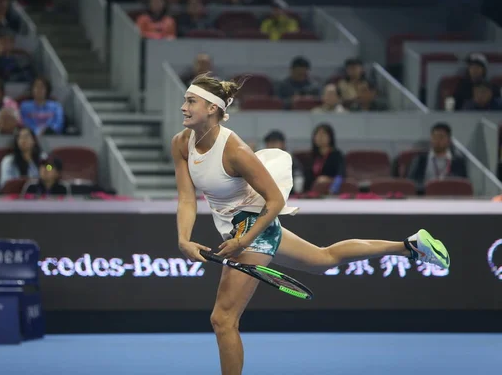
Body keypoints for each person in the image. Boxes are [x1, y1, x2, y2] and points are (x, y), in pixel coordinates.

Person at [171, 73, 451, 375]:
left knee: (223, 319)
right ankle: (411, 246)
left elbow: (275, 202)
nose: (183, 107)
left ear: (212, 108)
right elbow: (187, 199)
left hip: (255, 227)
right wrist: (184, 239)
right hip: (235, 228)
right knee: (323, 259)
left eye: (191, 101)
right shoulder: (181, 143)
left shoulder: (235, 150)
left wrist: (242, 241)